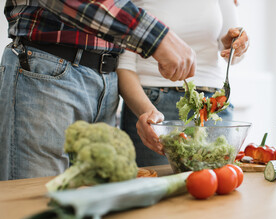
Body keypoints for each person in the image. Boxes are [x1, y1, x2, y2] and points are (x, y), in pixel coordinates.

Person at [0, 0, 196, 180]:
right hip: (48, 67)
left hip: (107, 78)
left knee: (93, 209)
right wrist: (157, 38)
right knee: (37, 204)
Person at [117, 0, 249, 167]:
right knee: (160, 190)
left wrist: (236, 45)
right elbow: (123, 67)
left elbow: (235, 52)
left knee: (221, 190)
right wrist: (149, 114)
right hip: (153, 107)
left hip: (214, 106)